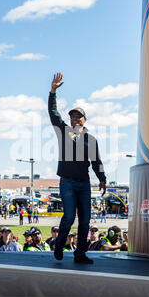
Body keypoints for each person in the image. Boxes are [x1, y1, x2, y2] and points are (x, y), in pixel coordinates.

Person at [49, 73, 107, 264]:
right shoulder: (64, 132)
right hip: (67, 182)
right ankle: (59, 244)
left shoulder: (91, 140)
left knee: (84, 221)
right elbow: (54, 114)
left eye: (78, 116)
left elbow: (96, 161)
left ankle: (80, 254)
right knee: (68, 216)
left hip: (85, 185)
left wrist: (103, 179)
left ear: (84, 120)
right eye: (72, 116)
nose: (74, 119)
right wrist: (53, 92)